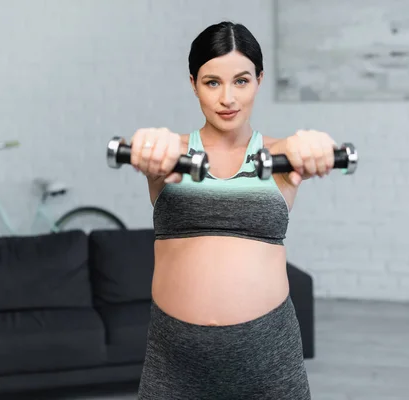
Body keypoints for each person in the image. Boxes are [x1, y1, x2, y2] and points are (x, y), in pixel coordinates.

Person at [130, 21, 337, 400]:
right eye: (212, 83)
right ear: (193, 84)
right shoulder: (169, 155)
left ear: (259, 79)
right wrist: (149, 142)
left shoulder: (282, 156)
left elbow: (310, 146)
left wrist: (316, 144)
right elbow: (148, 146)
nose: (228, 98)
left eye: (241, 81)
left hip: (268, 357)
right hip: (176, 361)